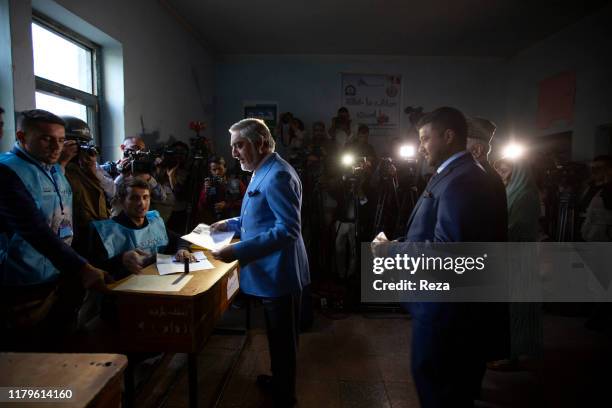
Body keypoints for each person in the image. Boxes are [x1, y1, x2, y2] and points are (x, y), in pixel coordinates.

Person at [378, 107, 507, 407]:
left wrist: (390, 251)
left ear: (448, 136)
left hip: (446, 314)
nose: (421, 147)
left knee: (438, 389)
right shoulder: (465, 173)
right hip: (459, 310)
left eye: (425, 138)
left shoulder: (462, 179)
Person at [211, 118, 309, 408]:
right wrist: (227, 224)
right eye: (233, 146)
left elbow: (287, 229)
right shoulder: (260, 170)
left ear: (262, 142)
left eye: (239, 145)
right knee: (276, 337)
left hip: (281, 275)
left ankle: (285, 397)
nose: (234, 153)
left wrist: (238, 251)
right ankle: (279, 381)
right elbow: (255, 217)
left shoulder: (278, 175)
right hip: (270, 276)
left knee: (283, 342)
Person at [0, 109, 110, 350]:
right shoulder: (7, 171)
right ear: (21, 136)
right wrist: (82, 267)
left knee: (57, 346)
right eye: (46, 139)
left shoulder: (54, 169)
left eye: (61, 140)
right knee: (27, 358)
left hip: (56, 275)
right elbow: (33, 229)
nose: (56, 147)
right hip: (22, 283)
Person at [89, 178, 194, 280]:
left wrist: (182, 249)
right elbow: (95, 268)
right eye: (134, 198)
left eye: (145, 197)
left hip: (158, 282)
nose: (142, 203)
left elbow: (180, 238)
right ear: (122, 201)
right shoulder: (105, 231)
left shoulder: (154, 221)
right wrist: (121, 259)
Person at [62, 117, 112, 254]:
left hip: (98, 233)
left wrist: (92, 170)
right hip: (73, 239)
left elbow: (112, 192)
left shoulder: (90, 166)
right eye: (76, 143)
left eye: (84, 143)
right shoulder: (58, 169)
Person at [197, 156, 246, 224]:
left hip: (233, 222)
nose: (217, 172)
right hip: (214, 222)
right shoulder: (209, 185)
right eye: (214, 170)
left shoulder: (236, 183)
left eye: (220, 169)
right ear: (210, 171)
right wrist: (205, 192)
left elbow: (246, 202)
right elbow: (201, 207)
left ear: (225, 168)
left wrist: (227, 205)